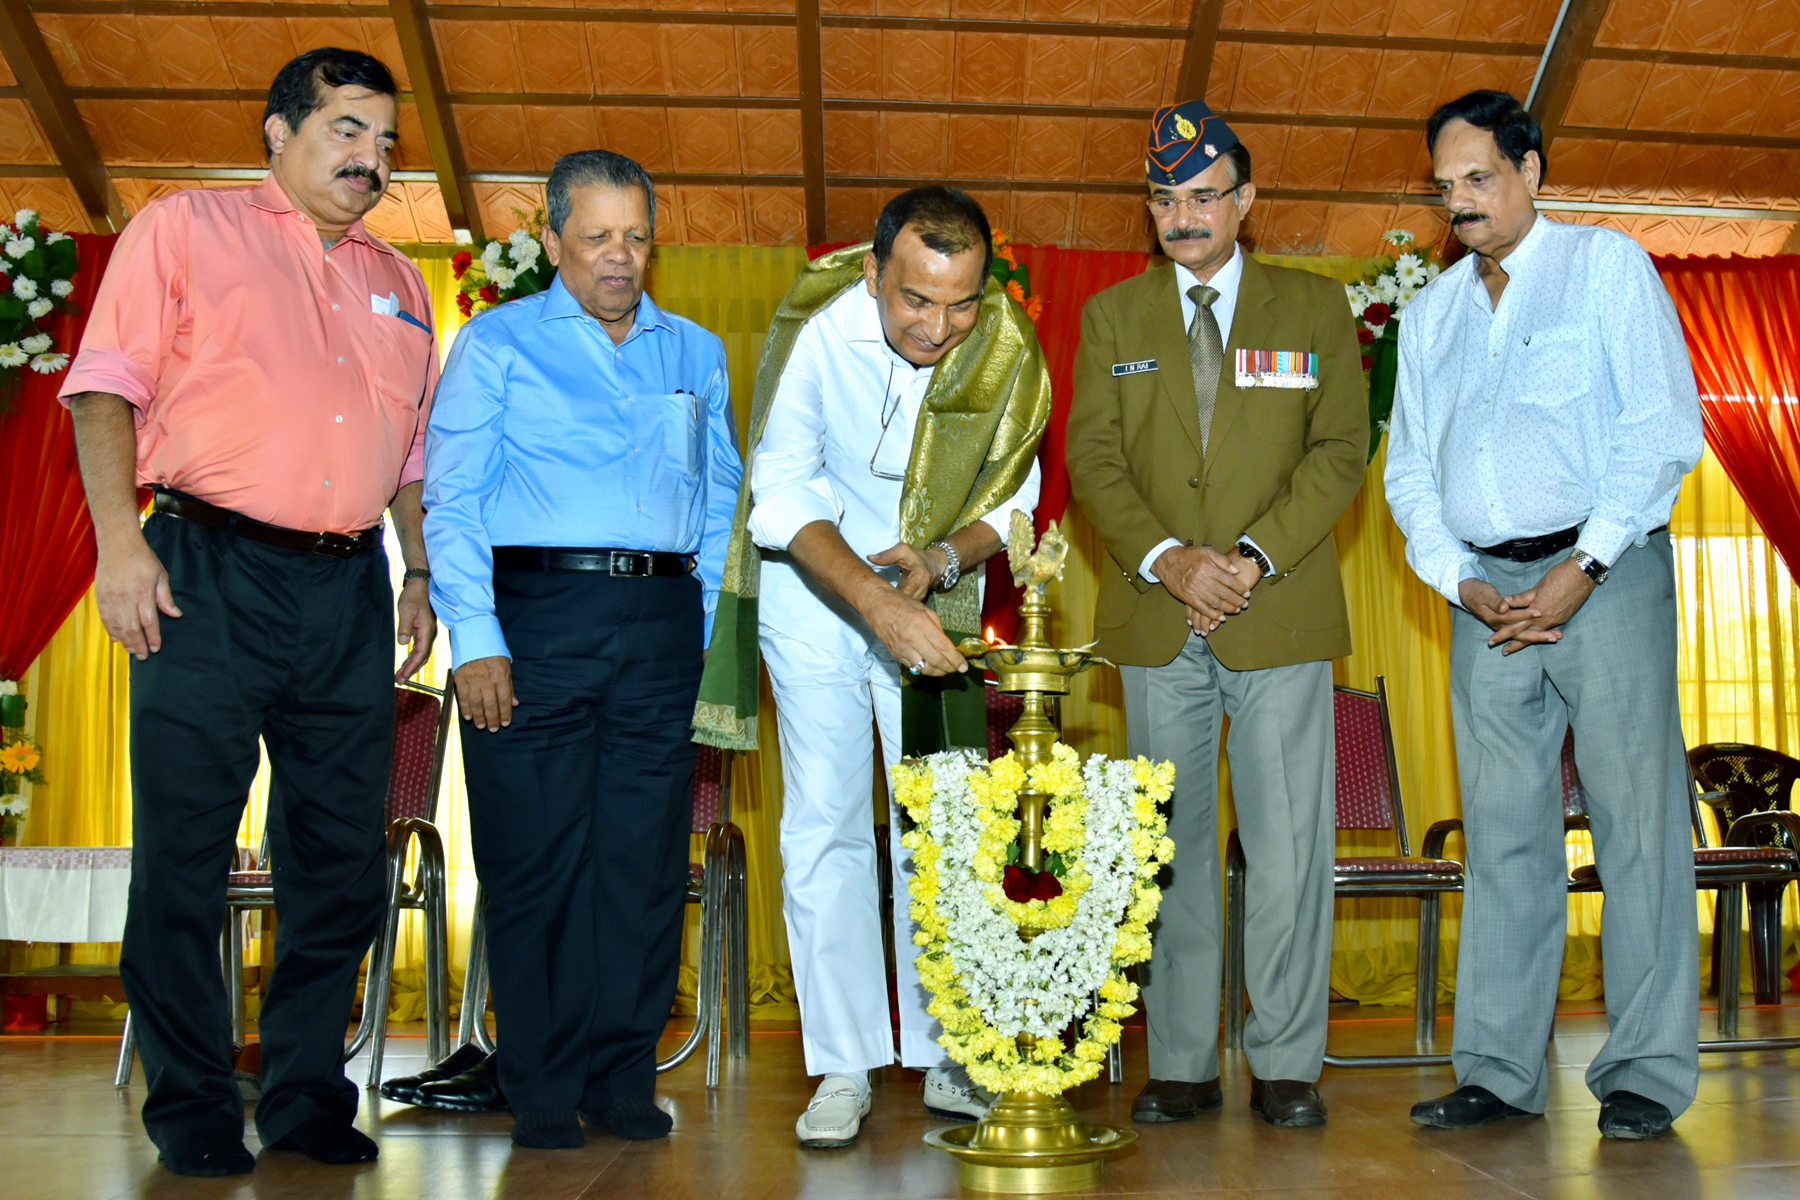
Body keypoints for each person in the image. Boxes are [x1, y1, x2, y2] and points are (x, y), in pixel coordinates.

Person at [60, 48, 437, 1176]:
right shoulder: (184, 228)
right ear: (279, 132)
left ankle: (306, 1096)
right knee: (185, 854)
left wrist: (418, 573)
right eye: (347, 130)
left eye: (385, 141)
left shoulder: (402, 280)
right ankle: (189, 1105)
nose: (371, 159)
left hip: (348, 587)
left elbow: (412, 456)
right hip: (203, 570)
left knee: (340, 861)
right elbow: (103, 384)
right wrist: (120, 546)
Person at [692, 187, 1049, 1147]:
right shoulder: (815, 331)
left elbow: (1017, 497)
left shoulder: (1006, 348)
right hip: (815, 599)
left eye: (961, 302)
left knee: (943, 826)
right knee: (826, 825)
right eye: (915, 299)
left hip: (935, 603)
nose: (937, 326)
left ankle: (945, 1054)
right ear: (872, 273)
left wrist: (938, 563)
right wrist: (875, 601)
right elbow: (779, 493)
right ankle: (843, 1066)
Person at [1386, 90, 1704, 1141]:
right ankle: (1499, 1070)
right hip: (1485, 596)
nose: (1461, 201)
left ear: (1530, 169)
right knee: (1503, 834)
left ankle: (1645, 1073)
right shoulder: (1430, 315)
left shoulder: (1604, 267)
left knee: (1636, 824)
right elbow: (1409, 472)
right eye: (1446, 186)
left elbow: (1662, 426)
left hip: (1604, 576)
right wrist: (1455, 579)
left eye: (1479, 177)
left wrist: (1588, 562)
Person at [421, 149, 741, 1150]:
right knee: (536, 863)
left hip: (662, 626)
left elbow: (721, 505)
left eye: (636, 236)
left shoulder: (695, 352)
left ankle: (621, 1078)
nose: (619, 256)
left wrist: (710, 642)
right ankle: (543, 1085)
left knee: (642, 867)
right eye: (597, 236)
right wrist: (476, 639)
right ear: (553, 239)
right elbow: (452, 501)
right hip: (531, 622)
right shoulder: (495, 341)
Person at [1064, 99, 1367, 1129]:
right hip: (1157, 614)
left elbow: (1341, 451)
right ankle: (1184, 1062)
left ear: (1246, 200)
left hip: (1275, 606)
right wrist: (1170, 562)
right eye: (1164, 199)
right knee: (1171, 849)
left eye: (1202, 196)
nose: (1182, 217)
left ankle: (1285, 1063)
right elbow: (1093, 459)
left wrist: (1246, 559)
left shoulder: (1313, 307)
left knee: (1288, 848)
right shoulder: (1113, 316)